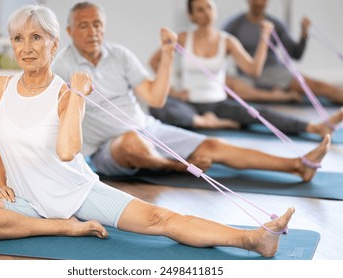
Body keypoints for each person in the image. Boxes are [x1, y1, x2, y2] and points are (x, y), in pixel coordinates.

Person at [0, 4, 298, 259]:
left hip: (76, 194)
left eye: (36, 37)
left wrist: (77, 96)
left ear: (54, 45)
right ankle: (63, 226)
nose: (26, 47)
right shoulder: (0, 87)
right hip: (26, 201)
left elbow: (68, 151)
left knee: (160, 218)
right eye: (18, 39)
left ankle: (252, 240)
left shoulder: (66, 92)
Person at [52, 1, 330, 184]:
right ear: (70, 31)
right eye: (84, 25)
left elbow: (155, 98)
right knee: (128, 143)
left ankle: (297, 165)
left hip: (150, 129)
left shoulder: (120, 55)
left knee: (213, 145)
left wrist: (167, 53)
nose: (93, 31)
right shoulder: (62, 66)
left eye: (97, 24)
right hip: (107, 148)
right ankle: (176, 166)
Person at [149, 0, 343, 134]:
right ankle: (203, 121)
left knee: (259, 113)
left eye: (209, 6)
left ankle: (314, 127)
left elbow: (254, 71)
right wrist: (173, 91)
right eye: (200, 9)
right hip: (188, 103)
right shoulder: (182, 37)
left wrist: (264, 38)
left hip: (217, 104)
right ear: (191, 16)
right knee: (156, 106)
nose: (206, 12)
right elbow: (154, 62)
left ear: (215, 10)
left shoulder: (227, 41)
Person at [222, 0, 343, 104]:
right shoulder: (234, 25)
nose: (259, 2)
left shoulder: (276, 24)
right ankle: (278, 96)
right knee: (228, 89)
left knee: (320, 87)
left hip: (276, 73)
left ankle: (276, 94)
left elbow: (296, 54)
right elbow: (218, 48)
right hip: (247, 76)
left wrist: (304, 34)